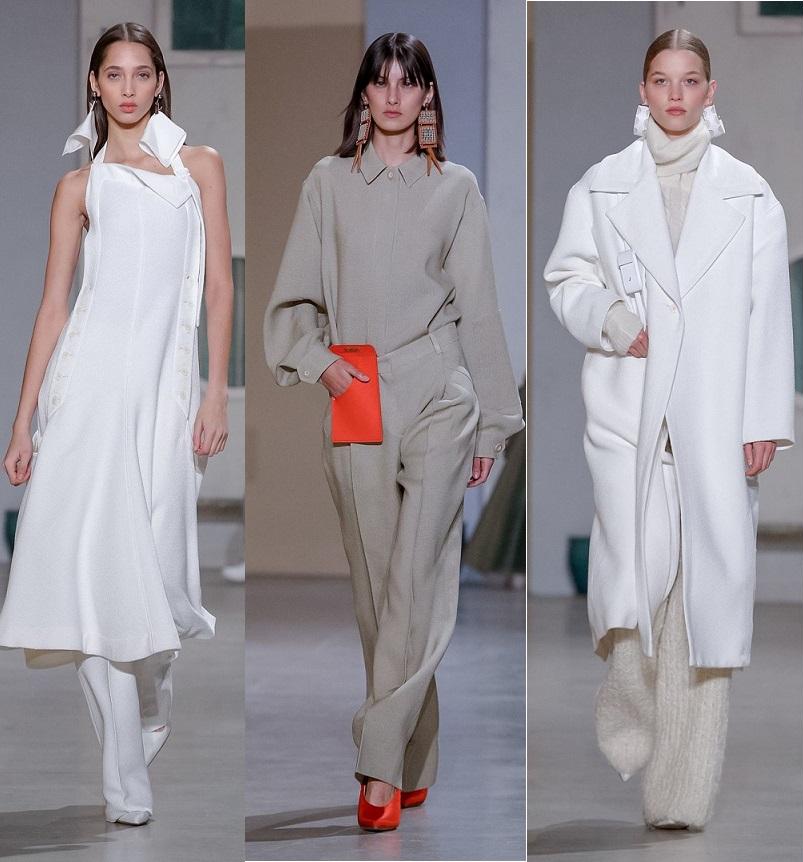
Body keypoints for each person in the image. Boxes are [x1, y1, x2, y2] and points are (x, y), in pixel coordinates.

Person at [263, 32, 523, 832]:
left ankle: (378, 766)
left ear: (427, 95)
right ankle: (416, 757)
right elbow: (294, 296)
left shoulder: (456, 189)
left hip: (440, 392)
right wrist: (322, 366)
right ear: (364, 95)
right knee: (379, 595)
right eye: (379, 83)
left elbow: (479, 308)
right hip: (358, 389)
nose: (393, 96)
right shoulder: (327, 182)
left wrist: (493, 424)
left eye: (408, 83)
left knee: (417, 579)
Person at [544, 29, 795, 829]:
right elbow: (565, 277)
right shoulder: (601, 185)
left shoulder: (749, 195)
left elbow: (768, 313)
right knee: (629, 582)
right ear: (643, 90)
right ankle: (627, 697)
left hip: (717, 416)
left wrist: (763, 418)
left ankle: (680, 797)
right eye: (661, 79)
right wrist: (612, 319)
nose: (676, 94)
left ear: (710, 92)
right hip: (628, 409)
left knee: (705, 604)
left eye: (690, 81)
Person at [0, 22, 231, 825]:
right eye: (113, 74)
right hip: (87, 394)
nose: (128, 88)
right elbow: (54, 307)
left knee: (153, 580)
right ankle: (124, 775)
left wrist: (215, 393)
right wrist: (23, 422)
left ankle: (152, 702)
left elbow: (219, 288)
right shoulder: (79, 187)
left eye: (141, 73)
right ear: (95, 85)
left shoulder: (200, 167)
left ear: (160, 81)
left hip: (164, 397)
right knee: (89, 577)